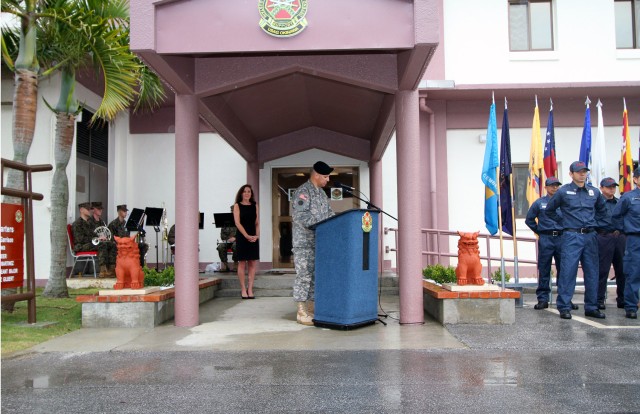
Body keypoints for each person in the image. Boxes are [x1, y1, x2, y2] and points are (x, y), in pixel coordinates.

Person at [545, 161, 607, 320]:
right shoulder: (563, 192)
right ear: (571, 174)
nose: (582, 174)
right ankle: (564, 306)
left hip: (590, 236)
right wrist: (564, 223)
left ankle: (592, 307)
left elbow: (602, 211)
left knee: (592, 271)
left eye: (584, 171)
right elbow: (550, 210)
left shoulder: (594, 192)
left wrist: (596, 225)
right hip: (571, 236)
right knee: (568, 271)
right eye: (579, 172)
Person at [291, 161, 335, 325]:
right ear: (316, 175)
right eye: (325, 176)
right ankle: (301, 311)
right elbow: (301, 217)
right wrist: (322, 225)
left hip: (320, 243)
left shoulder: (322, 194)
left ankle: (312, 308)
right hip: (304, 243)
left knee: (316, 277)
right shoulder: (303, 192)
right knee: (304, 276)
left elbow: (330, 215)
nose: (328, 179)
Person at [525, 177, 563, 310]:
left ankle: (564, 299)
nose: (555, 188)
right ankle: (543, 299)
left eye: (557, 185)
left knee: (564, 269)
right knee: (544, 268)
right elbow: (529, 219)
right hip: (546, 238)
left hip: (561, 238)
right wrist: (540, 231)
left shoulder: (564, 202)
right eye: (552, 185)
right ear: (546, 187)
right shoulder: (539, 203)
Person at [612, 167, 640, 319]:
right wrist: (626, 229)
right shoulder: (628, 197)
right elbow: (616, 216)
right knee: (633, 273)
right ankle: (631, 306)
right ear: (635, 179)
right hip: (635, 239)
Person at [595, 177, 626, 310]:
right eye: (608, 186)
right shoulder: (596, 203)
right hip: (604, 237)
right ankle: (599, 299)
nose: (612, 189)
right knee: (602, 270)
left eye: (613, 186)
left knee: (622, 270)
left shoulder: (620, 202)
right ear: (601, 188)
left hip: (619, 237)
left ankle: (623, 299)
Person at [233, 184, 260, 299]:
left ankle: (250, 289)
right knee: (242, 263)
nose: (247, 193)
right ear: (241, 193)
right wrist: (246, 235)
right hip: (242, 236)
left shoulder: (255, 205)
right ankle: (243, 289)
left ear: (251, 194)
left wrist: (256, 235)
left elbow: (257, 223)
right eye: (244, 191)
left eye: (249, 191)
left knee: (252, 263)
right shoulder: (237, 206)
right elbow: (237, 223)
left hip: (253, 237)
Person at [89, 201, 116, 277]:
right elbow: (89, 235)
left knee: (113, 245)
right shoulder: (89, 221)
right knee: (103, 245)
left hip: (101, 242)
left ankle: (111, 269)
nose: (101, 210)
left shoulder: (102, 222)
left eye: (101, 209)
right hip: (93, 242)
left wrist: (105, 237)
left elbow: (106, 232)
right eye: (98, 209)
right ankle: (103, 270)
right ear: (93, 209)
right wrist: (98, 238)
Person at [216, 206, 237, 272]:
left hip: (237, 242)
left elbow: (243, 234)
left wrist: (235, 238)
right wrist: (228, 239)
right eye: (232, 210)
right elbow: (222, 236)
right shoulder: (226, 221)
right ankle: (225, 264)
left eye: (235, 210)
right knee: (220, 247)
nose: (233, 212)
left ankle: (236, 263)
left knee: (235, 246)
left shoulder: (241, 220)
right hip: (227, 242)